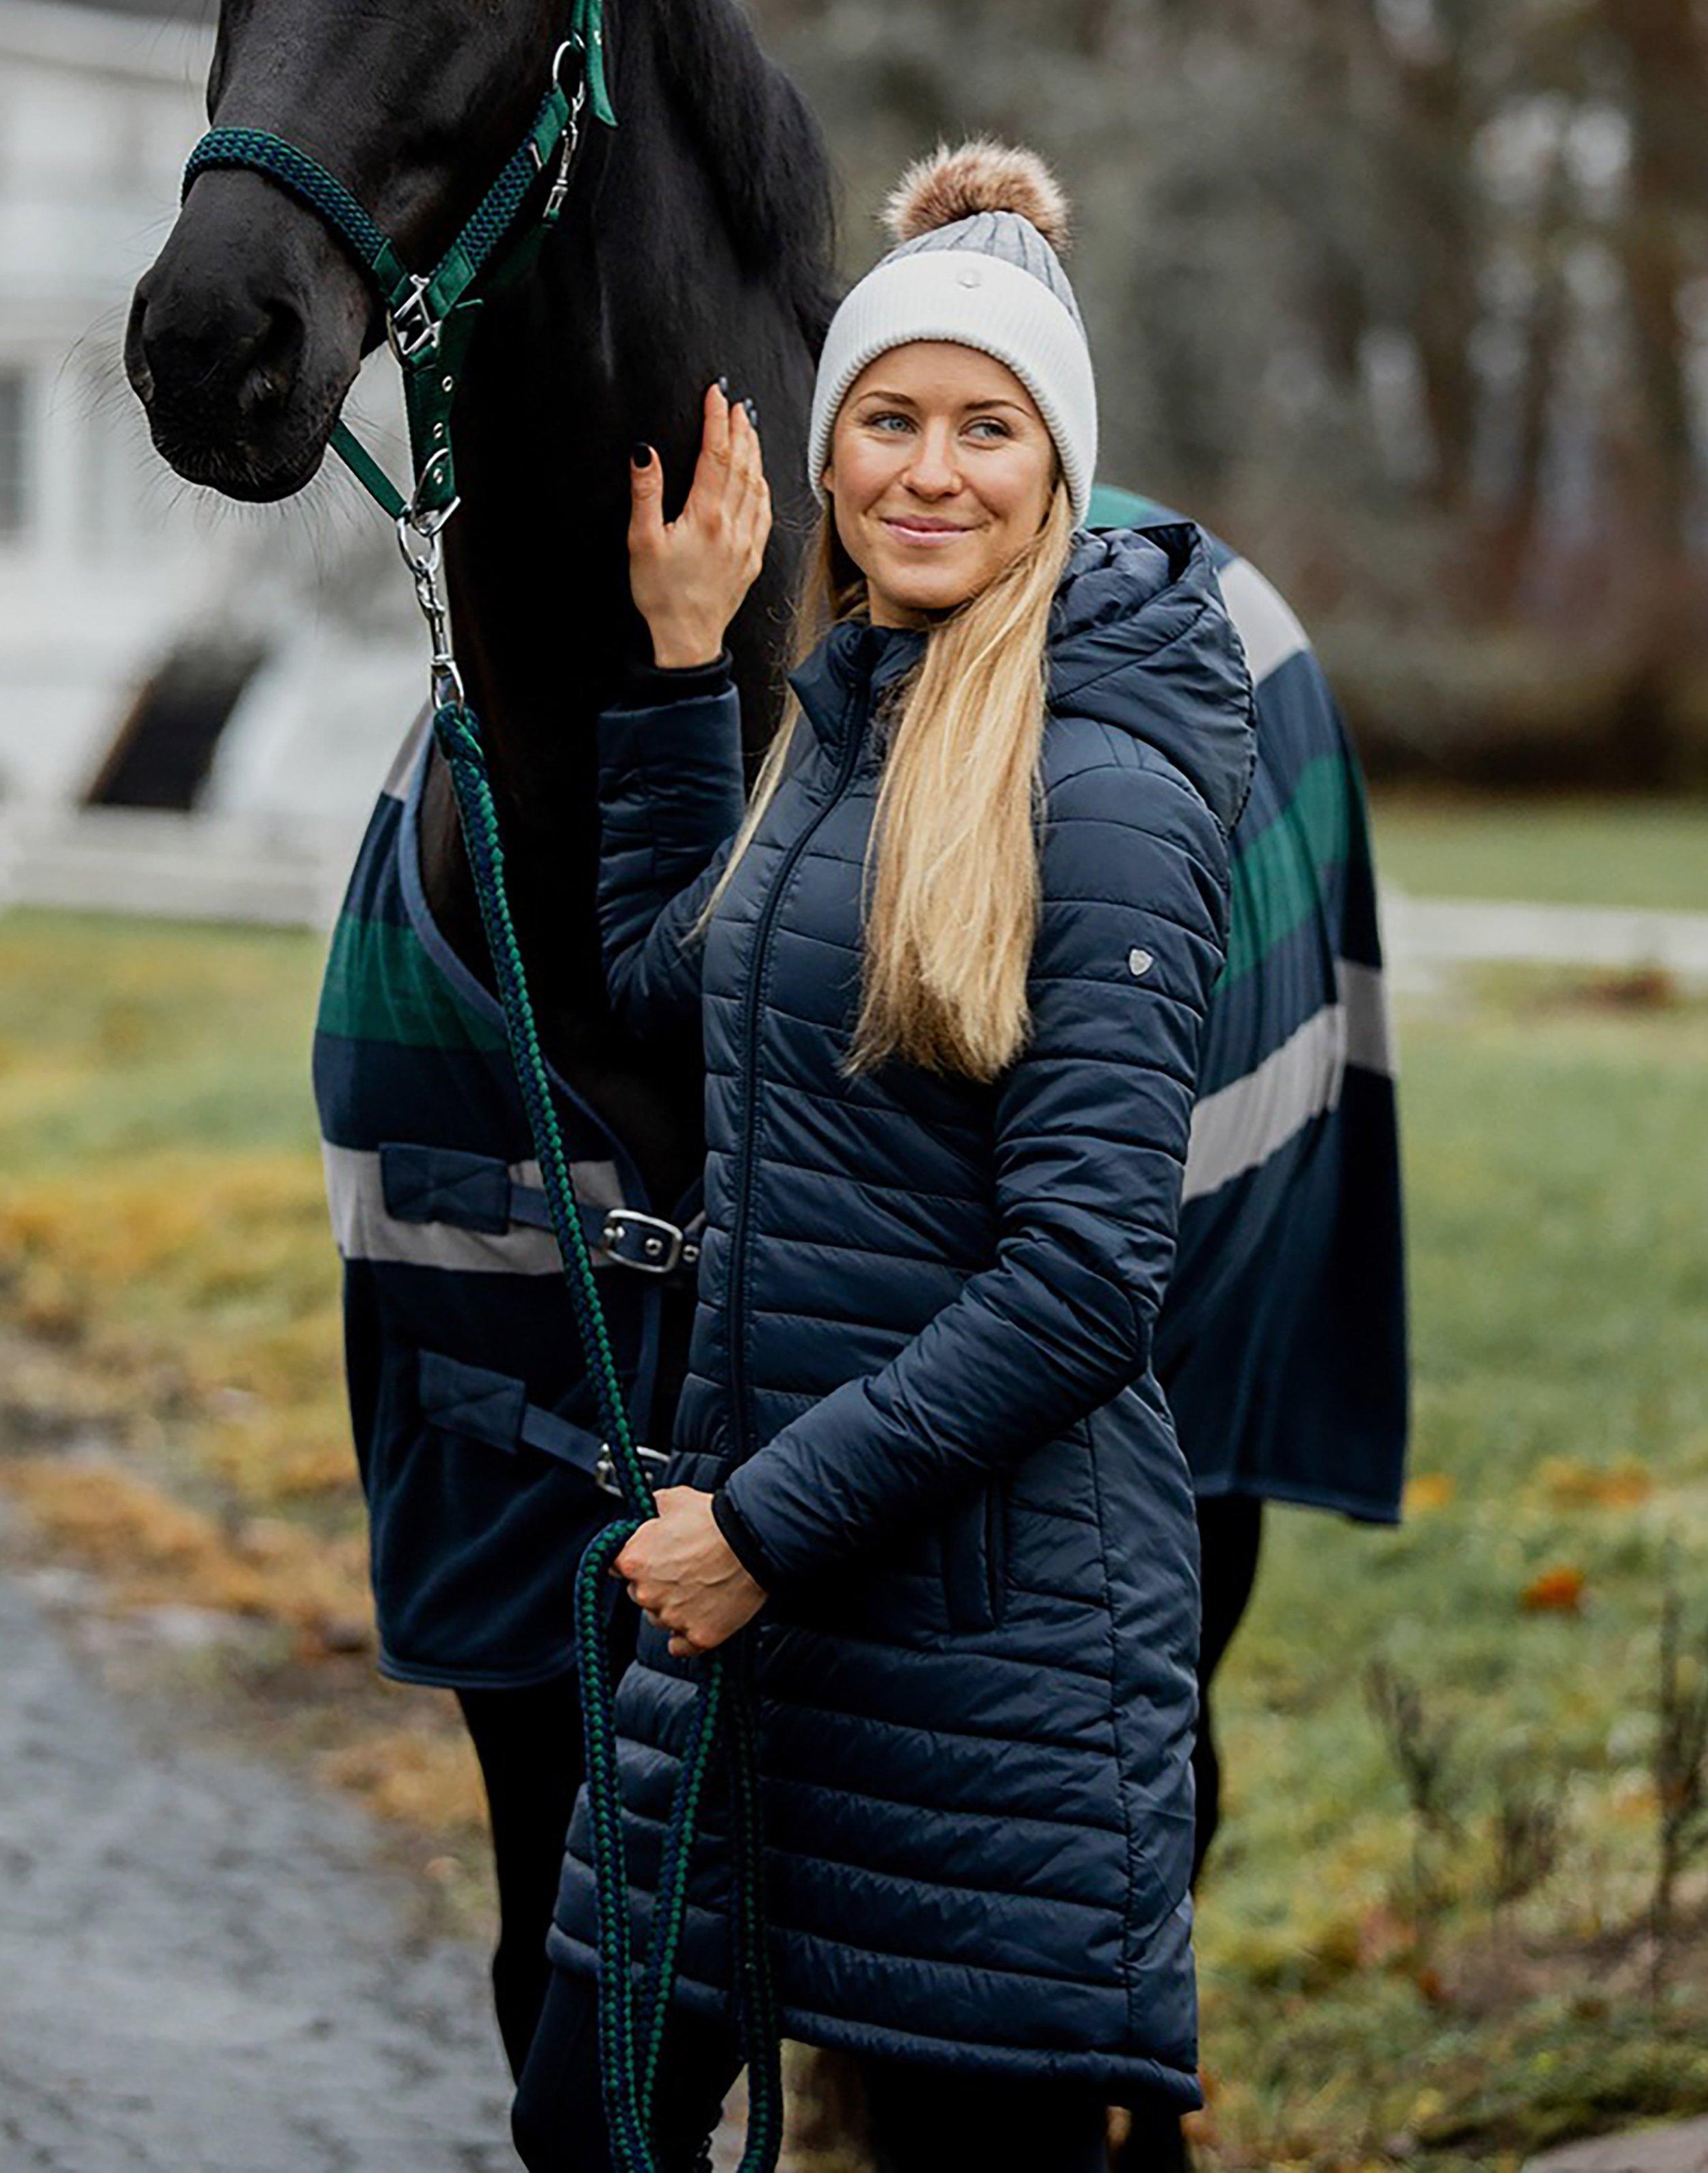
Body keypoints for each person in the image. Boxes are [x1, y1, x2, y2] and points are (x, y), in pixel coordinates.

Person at [509, 142, 1257, 2173]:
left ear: (1061, 465)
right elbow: (689, 997)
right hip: (752, 1611)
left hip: (983, 1659)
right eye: (892, 422)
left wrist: (755, 1526)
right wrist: (683, 666)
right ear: (831, 462)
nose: (935, 472)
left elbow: (1089, 1279)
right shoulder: (852, 710)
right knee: (587, 2126)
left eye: (988, 428)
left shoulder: (1103, 778)